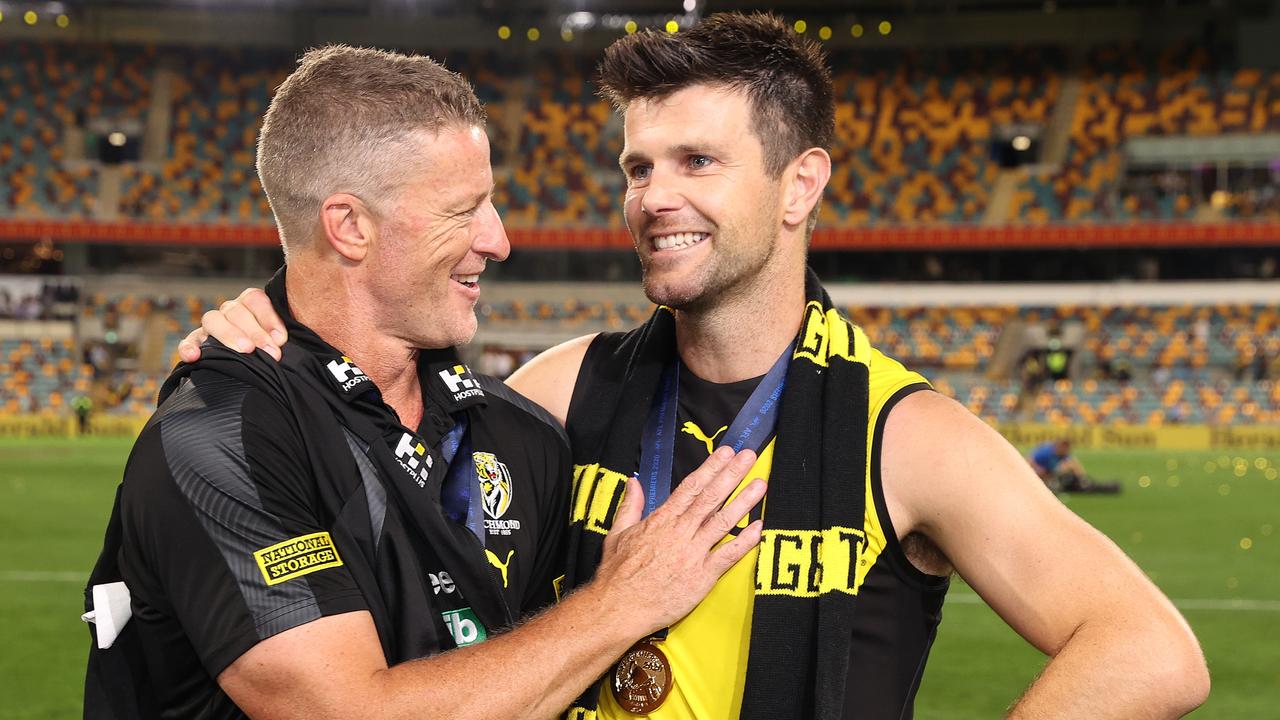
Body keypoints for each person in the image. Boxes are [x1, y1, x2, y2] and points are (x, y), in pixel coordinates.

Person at [184, 14, 1209, 719]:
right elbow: (350, 469)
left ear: (798, 183)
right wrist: (260, 345)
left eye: (697, 162)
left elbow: (1147, 648)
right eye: (637, 165)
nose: (651, 196)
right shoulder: (560, 386)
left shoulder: (908, 434)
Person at [85, 45, 767, 720]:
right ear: (350, 226)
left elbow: (542, 680)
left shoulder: (522, 432)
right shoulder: (220, 437)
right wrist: (622, 603)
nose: (498, 241)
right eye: (462, 211)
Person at [1028, 438, 1121, 494]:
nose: (1066, 452)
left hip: (1049, 473)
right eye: (1065, 449)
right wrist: (1040, 473)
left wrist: (1082, 477)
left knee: (1068, 469)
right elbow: (1029, 462)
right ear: (1060, 447)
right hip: (1037, 473)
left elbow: (1074, 463)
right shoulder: (1045, 452)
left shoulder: (1063, 453)